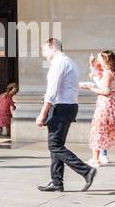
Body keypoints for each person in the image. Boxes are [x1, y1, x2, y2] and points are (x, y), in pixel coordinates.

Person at [36, 37, 96, 192]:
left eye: (44, 50)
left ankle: (86, 170)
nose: (43, 53)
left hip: (60, 107)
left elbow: (52, 91)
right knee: (56, 145)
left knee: (54, 145)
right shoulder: (70, 62)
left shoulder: (59, 63)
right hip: (69, 106)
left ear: (52, 47)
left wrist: (42, 113)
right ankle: (57, 182)